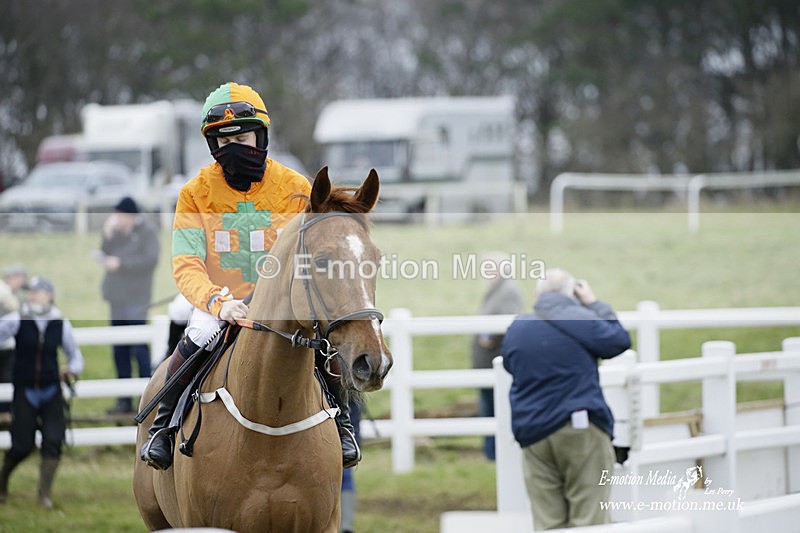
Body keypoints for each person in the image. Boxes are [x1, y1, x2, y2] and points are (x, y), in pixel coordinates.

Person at [139, 81, 361, 471]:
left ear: (261, 136)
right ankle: (163, 426)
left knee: (324, 344)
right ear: (213, 145)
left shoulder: (296, 188)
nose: (234, 148)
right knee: (198, 335)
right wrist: (218, 303)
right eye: (224, 142)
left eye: (241, 138)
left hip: (282, 302)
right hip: (221, 300)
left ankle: (341, 422)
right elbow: (186, 264)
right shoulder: (194, 193)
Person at [501, 268, 631, 530]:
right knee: (589, 518)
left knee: (548, 521)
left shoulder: (519, 327)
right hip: (579, 427)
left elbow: (510, 365)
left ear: (537, 294)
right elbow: (618, 340)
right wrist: (593, 303)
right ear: (572, 293)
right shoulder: (580, 319)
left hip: (533, 431)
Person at [0, 276, 84, 508]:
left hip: (51, 390)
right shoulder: (16, 319)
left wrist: (72, 369)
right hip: (25, 390)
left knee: (54, 441)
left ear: (49, 295)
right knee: (21, 445)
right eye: (31, 292)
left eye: (38, 292)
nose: (33, 296)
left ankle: (44, 494)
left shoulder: (60, 322)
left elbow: (75, 355)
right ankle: (2, 482)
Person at [99, 196, 160, 414]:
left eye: (120, 214)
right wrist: (107, 235)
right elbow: (105, 252)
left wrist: (122, 264)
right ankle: (123, 400)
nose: (116, 219)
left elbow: (150, 260)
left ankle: (146, 397)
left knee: (139, 348)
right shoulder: (116, 231)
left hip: (137, 299)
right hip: (116, 298)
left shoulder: (147, 231)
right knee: (119, 349)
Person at [471, 252, 524, 460]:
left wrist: (489, 337)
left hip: (496, 359)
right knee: (489, 407)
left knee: (495, 408)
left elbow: (507, 319)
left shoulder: (508, 291)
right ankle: (491, 452)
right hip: (487, 362)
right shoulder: (497, 290)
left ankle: (495, 453)